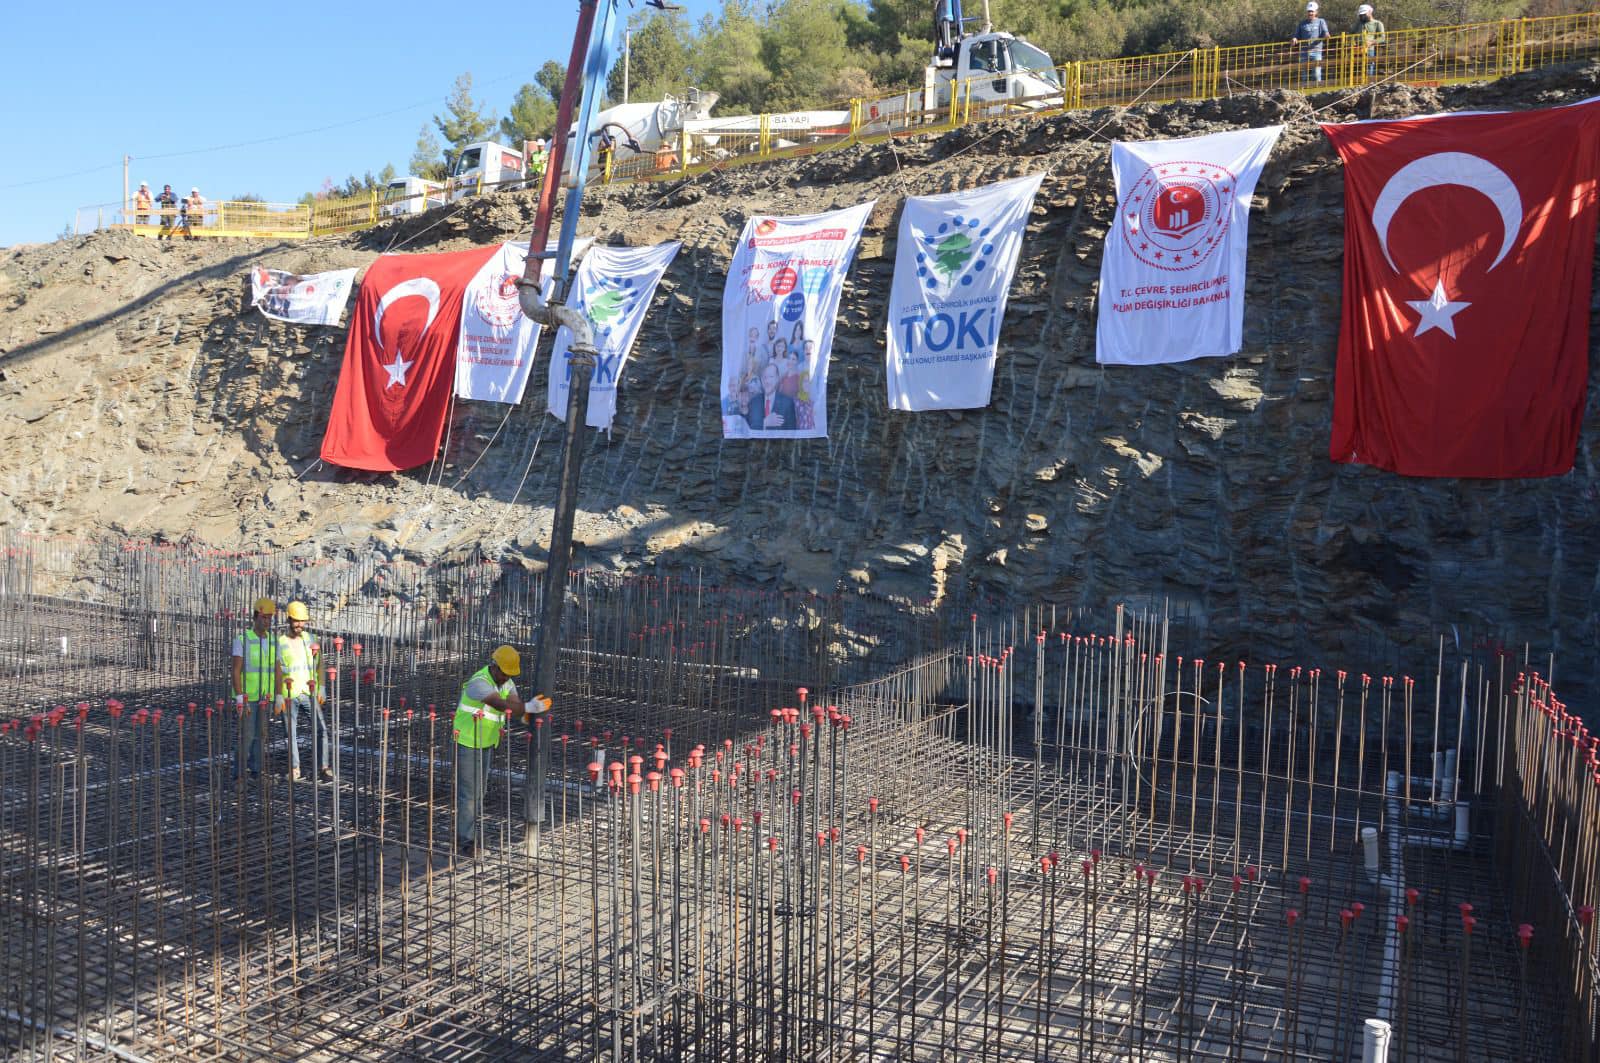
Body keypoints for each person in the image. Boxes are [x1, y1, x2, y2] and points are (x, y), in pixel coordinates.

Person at [453, 645, 550, 857]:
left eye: (510, 674)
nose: (507, 677)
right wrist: (528, 708)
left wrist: (524, 710)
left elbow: (514, 705)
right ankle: (466, 842)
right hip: (468, 742)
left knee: (479, 792)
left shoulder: (507, 682)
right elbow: (500, 704)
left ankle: (471, 833)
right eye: (504, 673)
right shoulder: (479, 683)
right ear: (495, 667)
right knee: (469, 795)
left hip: (486, 742)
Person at [277, 601, 330, 783]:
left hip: (309, 692)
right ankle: (295, 768)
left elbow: (320, 665)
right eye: (296, 621)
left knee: (321, 729)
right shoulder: (280, 643)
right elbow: (275, 671)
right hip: (289, 694)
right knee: (290, 734)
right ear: (289, 620)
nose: (300, 624)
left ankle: (323, 768)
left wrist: (322, 686)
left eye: (302, 621)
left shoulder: (310, 638)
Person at [232, 597, 279, 779]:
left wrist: (279, 695)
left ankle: (257, 771)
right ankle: (238, 774)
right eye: (264, 617)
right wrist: (239, 696)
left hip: (265, 697)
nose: (267, 621)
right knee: (247, 736)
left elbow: (277, 670)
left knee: (261, 735)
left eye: (269, 618)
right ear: (255, 617)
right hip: (248, 698)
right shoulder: (242, 640)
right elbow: (236, 670)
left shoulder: (273, 641)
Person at [746, 361, 797, 432]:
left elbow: (792, 433)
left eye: (771, 377)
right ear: (761, 379)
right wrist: (765, 423)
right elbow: (748, 429)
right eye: (764, 377)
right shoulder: (754, 402)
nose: (767, 381)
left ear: (777, 379)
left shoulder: (787, 403)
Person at [1293, 1, 1331, 85]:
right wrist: (1294, 38)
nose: (1310, 13)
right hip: (1304, 52)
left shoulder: (1321, 21)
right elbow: (1296, 35)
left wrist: (1326, 34)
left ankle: (1317, 90)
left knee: (1316, 74)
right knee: (1304, 75)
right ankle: (1304, 90)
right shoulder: (1302, 23)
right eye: (1309, 11)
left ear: (1316, 12)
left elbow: (1325, 32)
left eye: (1312, 11)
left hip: (1316, 51)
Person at [1356, 3, 1386, 79]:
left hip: (1369, 50)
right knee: (1357, 68)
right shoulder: (1358, 24)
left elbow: (1382, 37)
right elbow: (1351, 33)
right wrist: (1353, 42)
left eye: (1364, 14)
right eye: (1361, 15)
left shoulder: (1377, 23)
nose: (1362, 16)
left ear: (1370, 12)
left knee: (1369, 66)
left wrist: (1372, 42)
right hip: (1357, 50)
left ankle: (1369, 82)